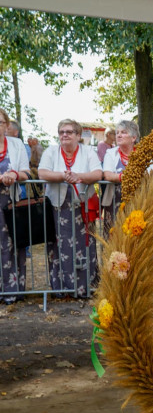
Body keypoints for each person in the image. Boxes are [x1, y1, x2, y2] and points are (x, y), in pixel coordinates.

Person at [38, 119, 102, 298]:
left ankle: (85, 288)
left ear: (78, 135)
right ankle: (63, 289)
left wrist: (79, 176)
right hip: (57, 208)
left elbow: (98, 173)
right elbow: (42, 172)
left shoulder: (88, 151)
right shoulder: (51, 151)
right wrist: (63, 176)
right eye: (61, 132)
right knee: (60, 246)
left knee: (84, 245)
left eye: (69, 132)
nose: (64, 135)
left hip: (82, 207)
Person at [0, 108, 30, 303]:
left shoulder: (16, 144)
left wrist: (14, 175)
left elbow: (26, 172)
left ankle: (13, 291)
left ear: (7, 125)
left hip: (10, 201)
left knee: (12, 245)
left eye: (0, 122)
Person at [102, 120, 140, 236]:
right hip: (114, 203)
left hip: (138, 202)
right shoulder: (110, 153)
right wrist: (128, 177)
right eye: (117, 132)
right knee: (113, 237)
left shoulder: (143, 154)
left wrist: (120, 177)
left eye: (123, 132)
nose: (118, 135)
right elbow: (107, 175)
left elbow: (149, 175)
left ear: (133, 138)